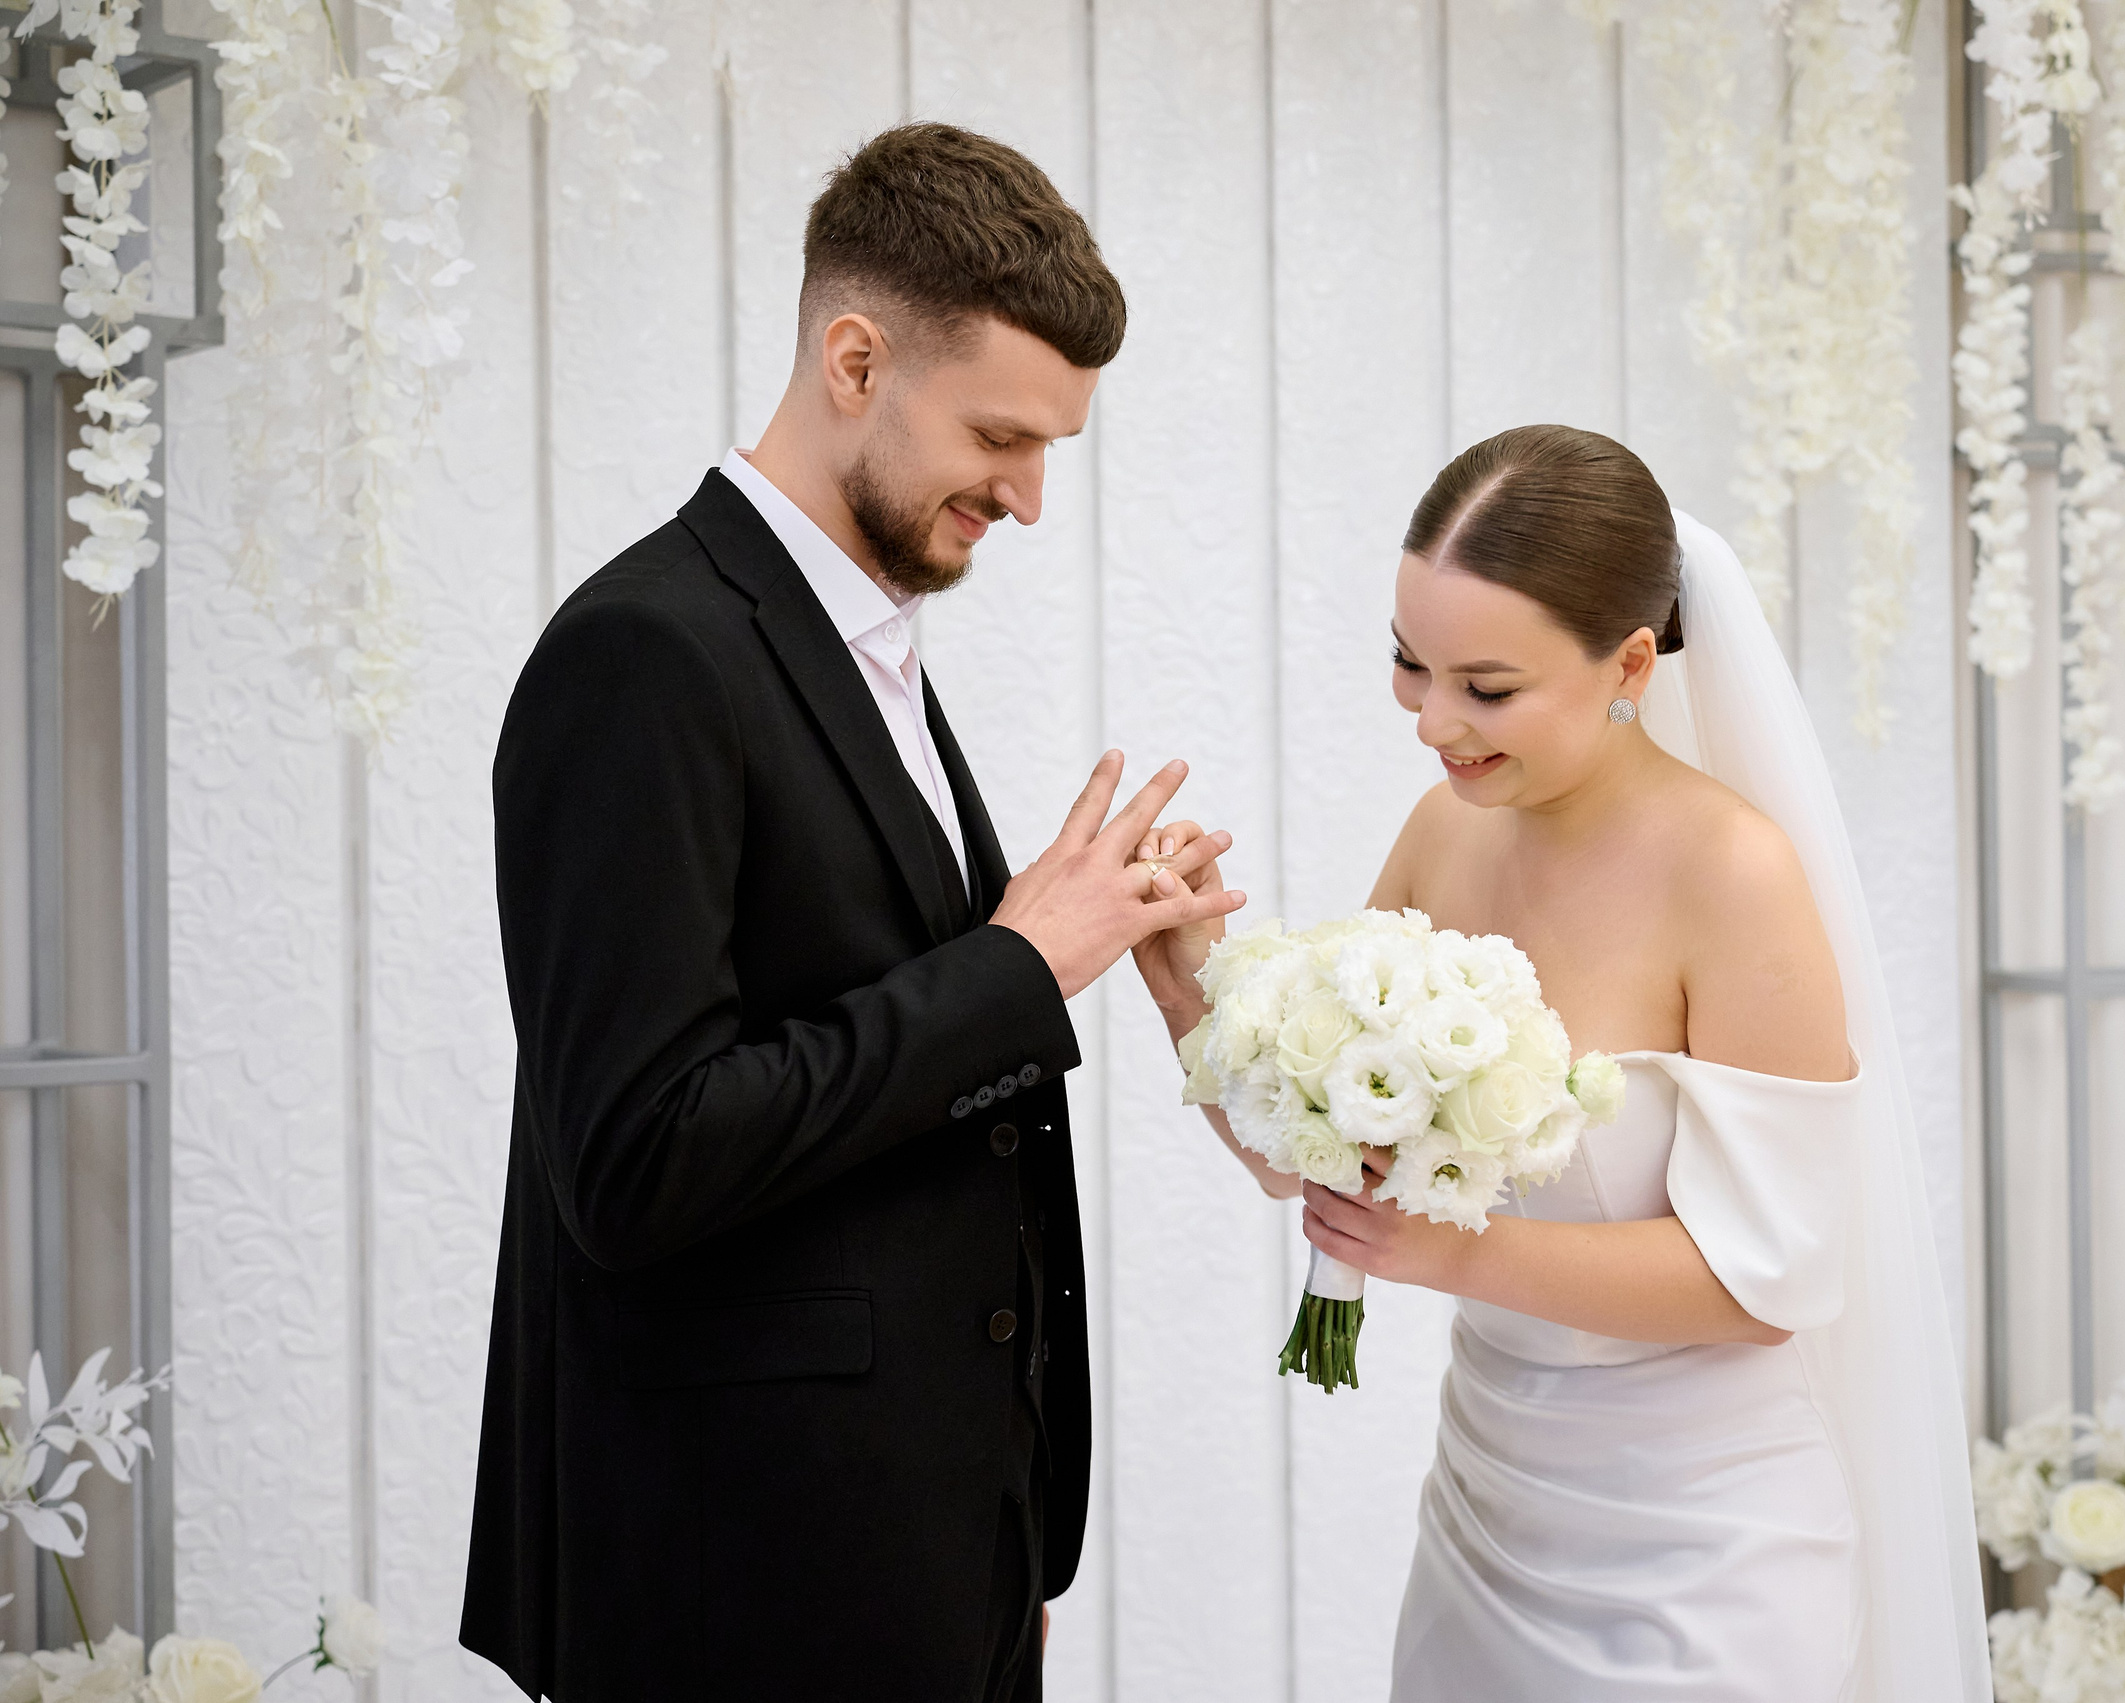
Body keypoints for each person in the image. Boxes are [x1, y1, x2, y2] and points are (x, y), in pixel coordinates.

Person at [461, 123, 1242, 1702]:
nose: (1029, 497)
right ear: (856, 358)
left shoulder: (855, 637)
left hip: (929, 1551)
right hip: (743, 1580)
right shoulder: (645, 655)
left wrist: (994, 1522)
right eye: (1000, 436)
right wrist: (1018, 964)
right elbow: (634, 1156)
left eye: (1052, 449)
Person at [1137, 425, 1991, 1701]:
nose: (1433, 722)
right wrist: (1188, 984)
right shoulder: (1444, 829)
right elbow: (1313, 1163)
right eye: (1408, 662)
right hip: (1487, 1516)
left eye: (1485, 687)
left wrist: (1453, 1252)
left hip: (1702, 1549)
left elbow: (1768, 1280)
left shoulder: (1731, 872)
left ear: (1630, 663)